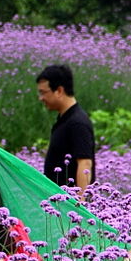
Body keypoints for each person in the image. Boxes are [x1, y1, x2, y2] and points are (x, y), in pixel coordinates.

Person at [36, 64, 95, 198]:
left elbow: (85, 163)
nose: (41, 98)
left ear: (59, 91)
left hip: (70, 208)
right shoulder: (64, 120)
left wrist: (81, 203)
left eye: (43, 92)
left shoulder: (77, 123)